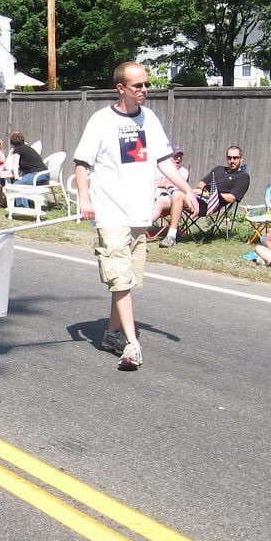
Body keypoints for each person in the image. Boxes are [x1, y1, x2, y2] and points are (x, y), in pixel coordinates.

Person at [73, 61, 197, 371]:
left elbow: (164, 161)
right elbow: (81, 164)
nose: (144, 90)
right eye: (137, 86)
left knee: (126, 279)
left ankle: (111, 334)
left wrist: (188, 189)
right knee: (120, 277)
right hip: (110, 212)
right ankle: (131, 344)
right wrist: (85, 199)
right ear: (121, 88)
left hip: (139, 213)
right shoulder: (101, 121)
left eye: (146, 85)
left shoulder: (149, 119)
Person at [152, 145, 189, 245]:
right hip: (152, 197)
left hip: (171, 200)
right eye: (175, 156)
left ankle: (142, 226)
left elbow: (177, 183)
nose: (179, 159)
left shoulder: (183, 171)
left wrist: (158, 185)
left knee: (161, 200)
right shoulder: (157, 170)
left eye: (180, 156)